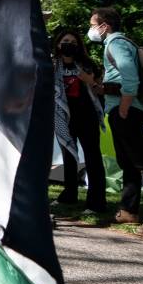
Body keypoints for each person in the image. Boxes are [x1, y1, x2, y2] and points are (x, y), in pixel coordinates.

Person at [91, 7, 143, 234]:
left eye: (93, 25)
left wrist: (124, 104)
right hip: (124, 108)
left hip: (127, 110)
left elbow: (129, 74)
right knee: (128, 162)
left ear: (105, 26)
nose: (92, 30)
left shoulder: (116, 43)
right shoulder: (116, 43)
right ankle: (129, 211)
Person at [50, 28, 107, 217]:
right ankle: (69, 194)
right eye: (65, 41)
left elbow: (100, 90)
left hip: (87, 117)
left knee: (93, 157)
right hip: (63, 118)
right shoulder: (51, 65)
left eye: (73, 42)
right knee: (69, 157)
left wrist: (90, 81)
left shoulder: (88, 65)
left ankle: (96, 203)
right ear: (58, 44)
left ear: (79, 46)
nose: (69, 45)